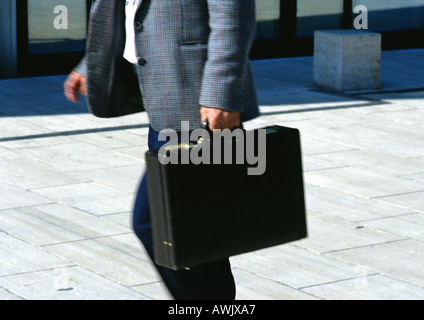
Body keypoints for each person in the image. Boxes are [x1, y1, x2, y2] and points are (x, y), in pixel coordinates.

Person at [64, 0, 259, 300]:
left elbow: (234, 14)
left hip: (201, 105)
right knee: (194, 229)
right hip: (167, 101)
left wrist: (223, 93)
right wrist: (90, 64)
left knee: (157, 223)